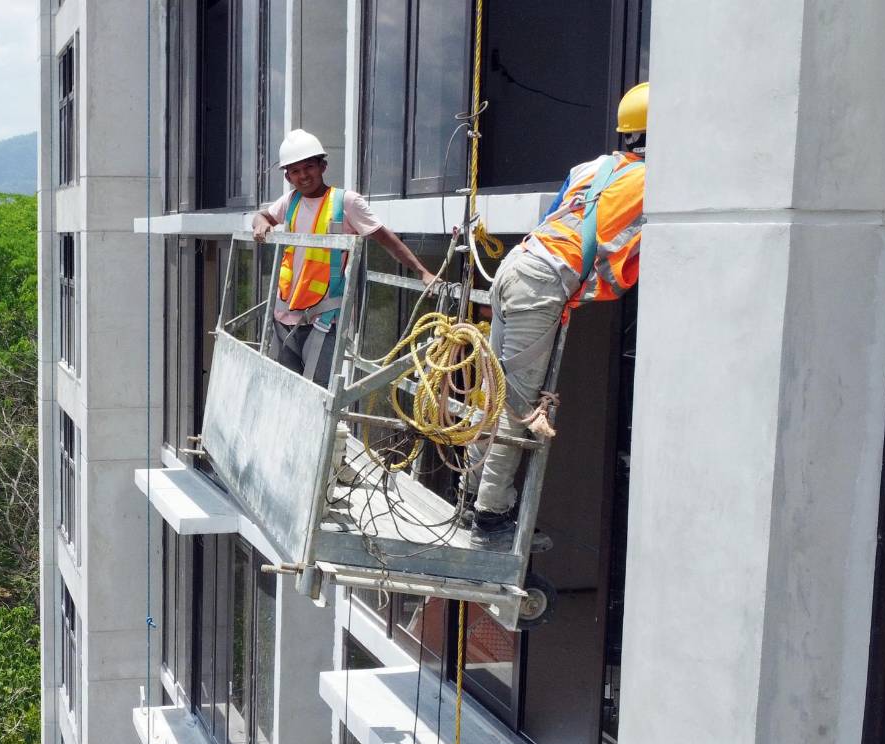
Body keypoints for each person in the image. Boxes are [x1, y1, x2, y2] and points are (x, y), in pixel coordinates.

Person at [468, 82, 650, 549]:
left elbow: (553, 216)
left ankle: (470, 493)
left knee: (495, 391)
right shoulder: (656, 181)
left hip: (519, 264)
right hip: (542, 282)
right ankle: (489, 517)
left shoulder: (593, 166)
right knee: (518, 403)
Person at [253, 129, 435, 387]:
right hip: (284, 316)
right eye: (295, 170)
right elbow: (262, 216)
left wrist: (422, 271)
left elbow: (384, 238)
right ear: (288, 176)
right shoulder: (289, 201)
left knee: (319, 392)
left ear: (322, 166)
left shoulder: (346, 202)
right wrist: (260, 224)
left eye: (309, 167)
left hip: (324, 319)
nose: (303, 175)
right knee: (286, 390)